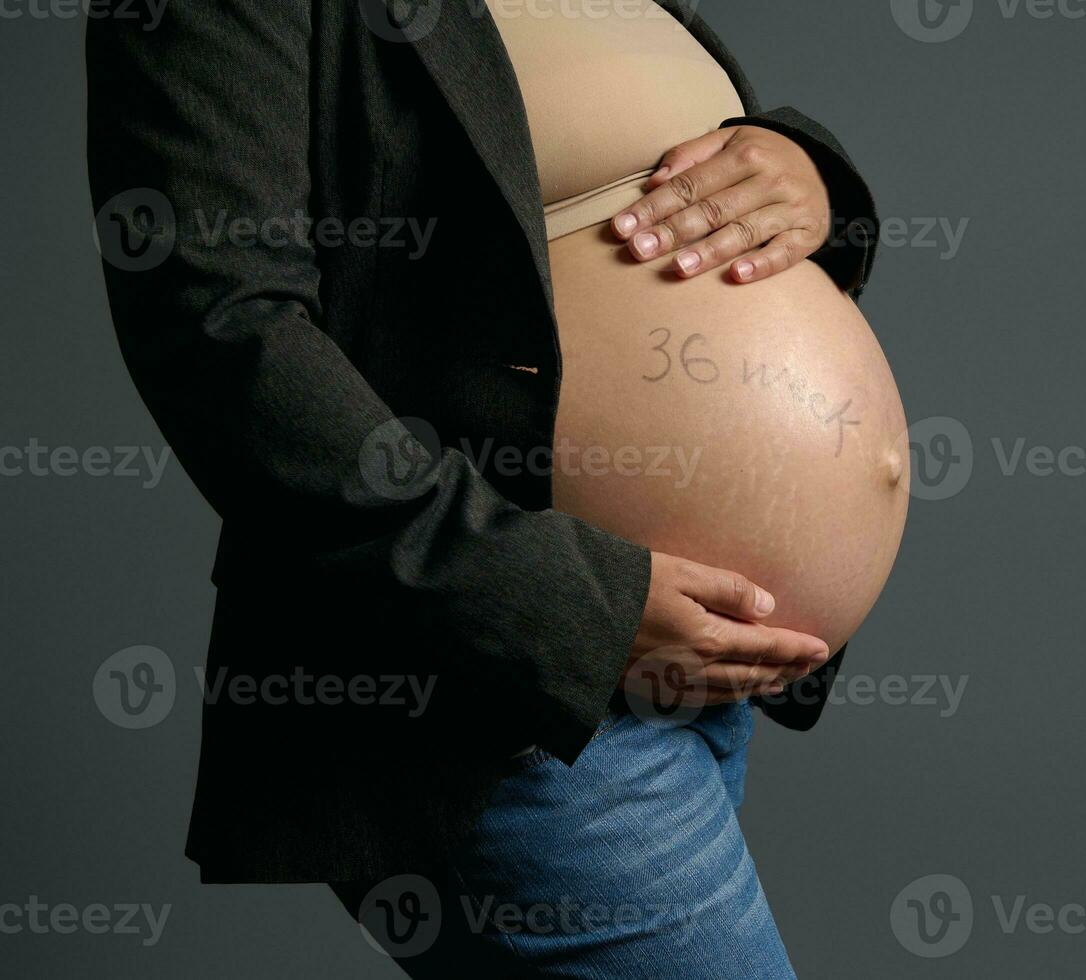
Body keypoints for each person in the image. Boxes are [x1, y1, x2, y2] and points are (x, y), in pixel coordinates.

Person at [87, 0, 883, 974]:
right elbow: (219, 333)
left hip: (698, 668)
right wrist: (568, 601)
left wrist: (802, 168)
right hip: (505, 672)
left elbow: (625, 186)